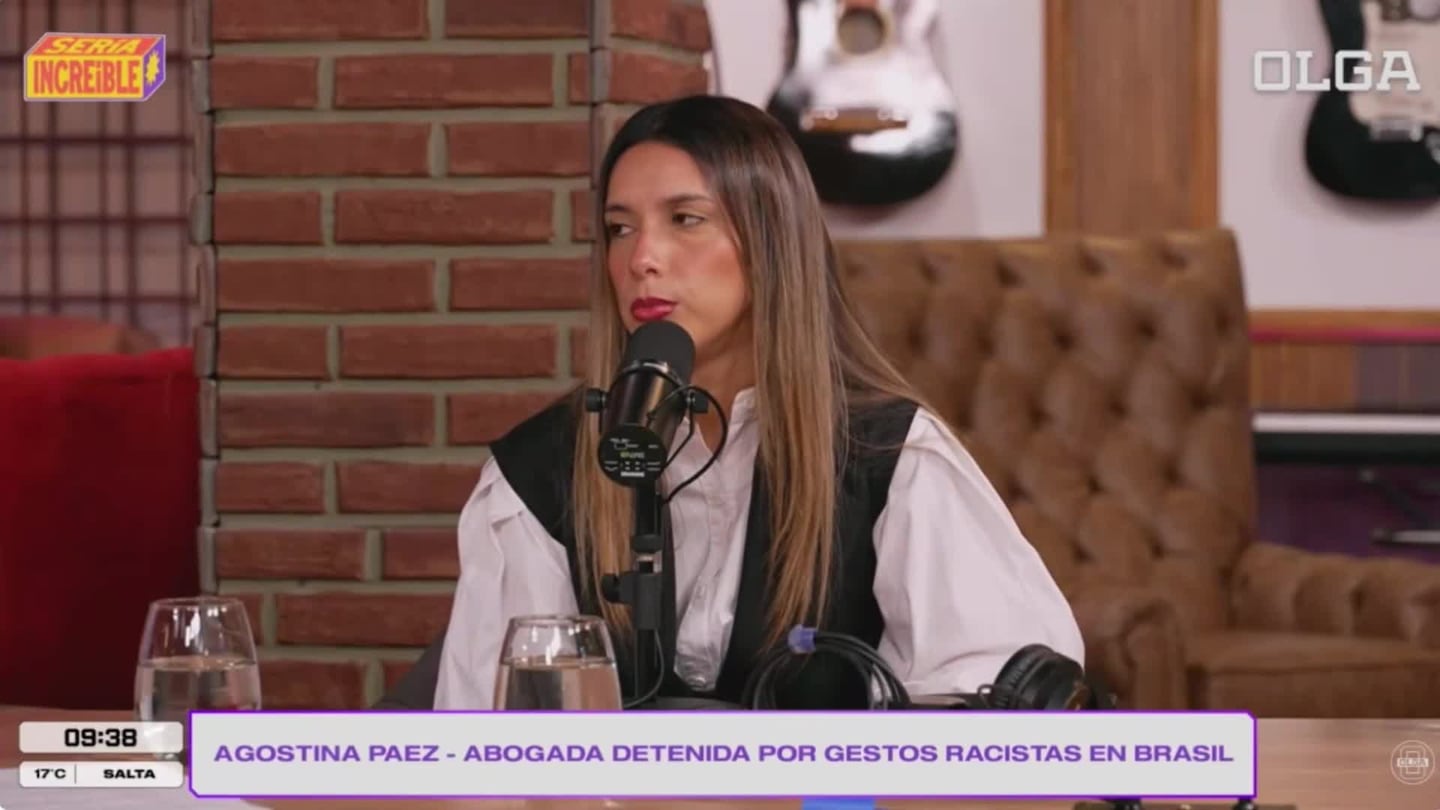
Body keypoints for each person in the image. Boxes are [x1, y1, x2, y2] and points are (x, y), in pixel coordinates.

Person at [429, 94, 1083, 711]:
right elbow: (489, 736)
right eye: (619, 228)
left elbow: (998, 701)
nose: (642, 259)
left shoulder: (888, 456)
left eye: (685, 220)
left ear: (769, 240)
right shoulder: (540, 470)